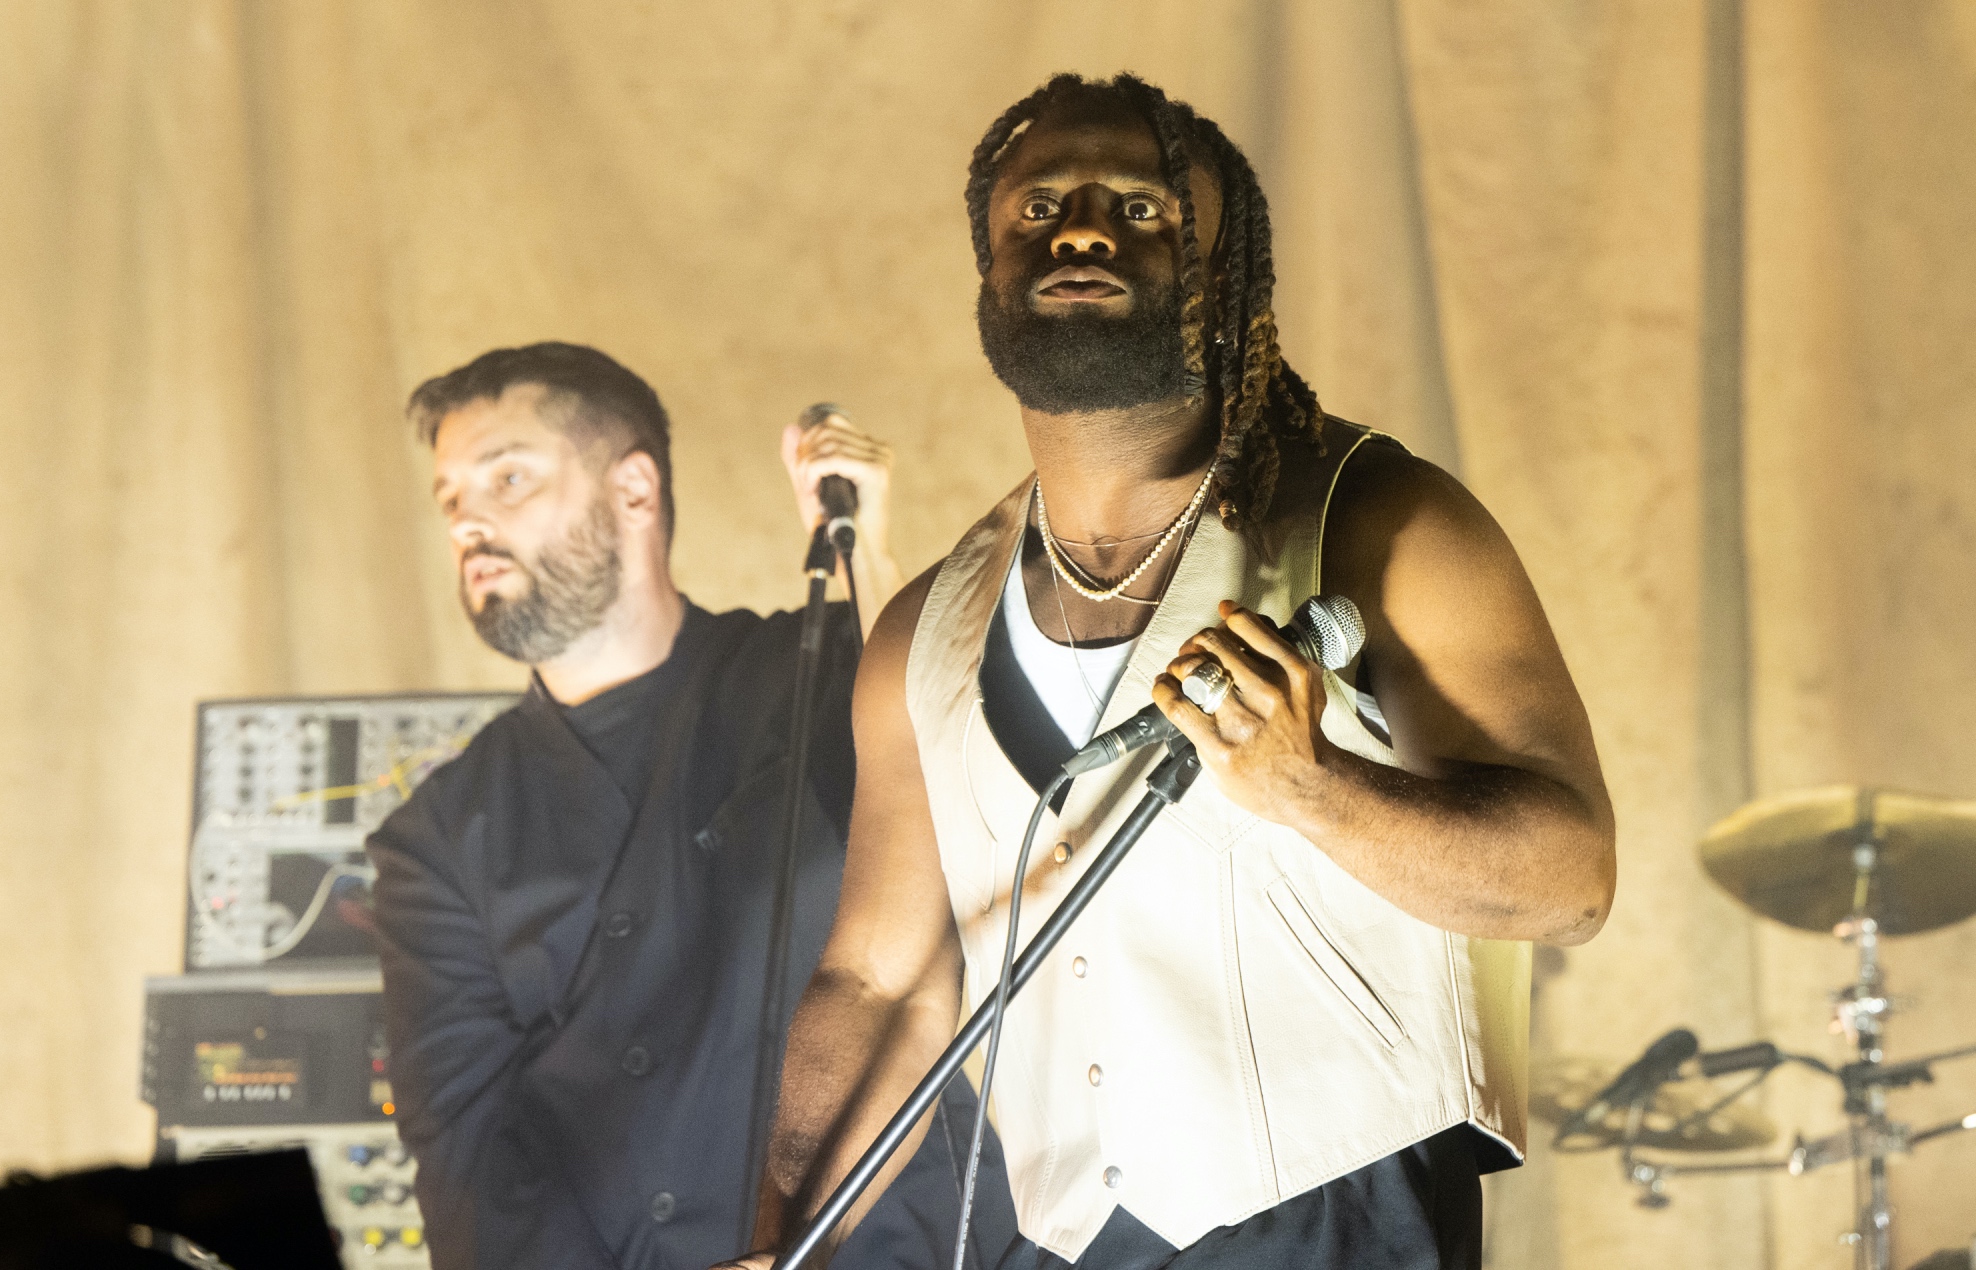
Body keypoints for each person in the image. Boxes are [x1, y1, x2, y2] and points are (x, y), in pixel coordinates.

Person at [723, 75, 1617, 1270]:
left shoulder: (1378, 520)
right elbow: (880, 983)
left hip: (1340, 1221)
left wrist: (1313, 786)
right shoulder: (922, 632)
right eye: (1037, 206)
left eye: (1141, 211)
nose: (1079, 228)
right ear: (988, 269)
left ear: (1218, 278)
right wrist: (788, 1246)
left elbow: (1569, 883)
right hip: (1071, 1240)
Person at [366, 343, 1014, 1270]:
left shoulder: (824, 674)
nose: (470, 521)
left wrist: (868, 549)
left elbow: (971, 796)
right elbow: (473, 1174)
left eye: (507, 478)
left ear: (633, 491)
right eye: (452, 499)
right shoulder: (434, 842)